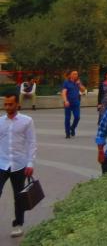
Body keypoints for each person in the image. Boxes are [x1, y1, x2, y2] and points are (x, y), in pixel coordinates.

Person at [0, 94, 36, 237]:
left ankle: (18, 224)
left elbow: (32, 142)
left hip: (19, 164)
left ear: (17, 104)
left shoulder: (27, 121)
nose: (7, 107)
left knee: (19, 196)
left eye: (10, 104)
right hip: (1, 163)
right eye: (6, 104)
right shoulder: (0, 121)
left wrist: (30, 163)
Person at [61, 70, 85, 138]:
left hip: (76, 102)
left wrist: (79, 84)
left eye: (76, 74)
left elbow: (83, 90)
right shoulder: (66, 82)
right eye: (74, 74)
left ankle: (72, 128)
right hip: (68, 102)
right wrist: (65, 101)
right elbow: (64, 92)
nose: (75, 75)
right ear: (70, 75)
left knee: (77, 117)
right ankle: (67, 133)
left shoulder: (78, 82)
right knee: (67, 118)